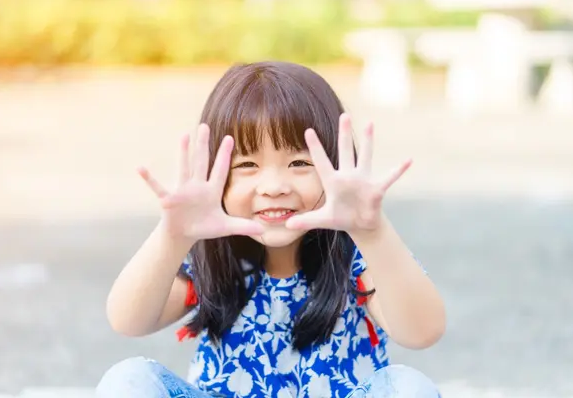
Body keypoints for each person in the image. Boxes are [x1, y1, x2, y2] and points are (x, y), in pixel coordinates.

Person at [96, 61, 446, 398]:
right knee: (128, 379)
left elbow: (422, 332)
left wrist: (374, 233)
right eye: (247, 164)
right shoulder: (212, 253)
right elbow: (129, 321)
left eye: (299, 163)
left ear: (336, 166)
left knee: (407, 386)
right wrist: (172, 237)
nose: (274, 185)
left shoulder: (356, 252)